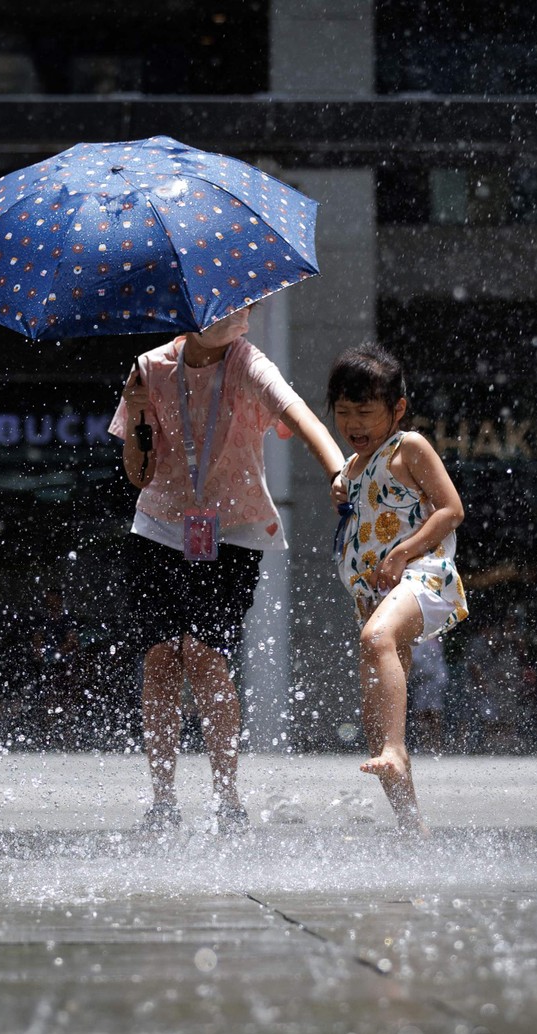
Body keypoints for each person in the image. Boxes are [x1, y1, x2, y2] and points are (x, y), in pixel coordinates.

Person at [113, 303, 345, 833]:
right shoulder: (148, 368)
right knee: (160, 657)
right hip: (160, 525)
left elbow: (296, 411)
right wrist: (139, 413)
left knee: (204, 653)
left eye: (244, 307)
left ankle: (226, 794)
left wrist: (338, 470)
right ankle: (163, 799)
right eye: (228, 307)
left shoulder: (246, 362)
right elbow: (136, 473)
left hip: (233, 527)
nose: (239, 314)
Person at [328, 342, 467, 834]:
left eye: (365, 411)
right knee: (375, 721)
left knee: (376, 640)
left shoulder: (409, 447)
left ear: (397, 409)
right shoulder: (352, 466)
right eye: (343, 413)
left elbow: (452, 510)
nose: (354, 423)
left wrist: (404, 550)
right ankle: (414, 827)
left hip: (423, 575)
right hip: (375, 595)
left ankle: (395, 747)